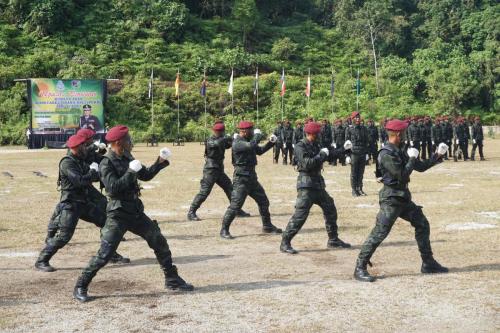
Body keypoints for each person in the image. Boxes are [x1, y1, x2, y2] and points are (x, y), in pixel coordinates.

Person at [73, 125, 193, 302]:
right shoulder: (106, 162)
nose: (131, 142)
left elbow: (145, 175)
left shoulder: (127, 156)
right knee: (105, 254)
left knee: (158, 240)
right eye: (128, 139)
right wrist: (130, 172)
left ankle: (172, 278)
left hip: (134, 211)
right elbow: (113, 188)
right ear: (119, 142)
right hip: (118, 213)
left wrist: (159, 162)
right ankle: (81, 285)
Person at [354, 119, 449, 282]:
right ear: (398, 134)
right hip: (391, 199)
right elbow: (402, 175)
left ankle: (428, 263)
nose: (406, 135)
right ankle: (359, 267)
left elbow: (420, 167)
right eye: (404, 132)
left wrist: (437, 155)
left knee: (422, 224)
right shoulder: (386, 154)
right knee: (379, 233)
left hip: (403, 198)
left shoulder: (401, 149)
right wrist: (411, 159)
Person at [35, 132, 129, 273]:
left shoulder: (79, 159)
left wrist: (99, 173)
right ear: (77, 147)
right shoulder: (67, 162)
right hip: (71, 204)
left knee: (106, 223)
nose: (87, 148)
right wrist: (92, 173)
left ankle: (110, 254)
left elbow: (93, 176)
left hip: (83, 202)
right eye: (84, 146)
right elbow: (79, 181)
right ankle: (42, 260)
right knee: (64, 236)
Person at [280, 122, 351, 254]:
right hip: (306, 185)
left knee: (330, 208)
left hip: (317, 184)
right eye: (317, 134)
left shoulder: (316, 145)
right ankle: (285, 241)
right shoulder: (300, 146)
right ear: (310, 134)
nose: (319, 136)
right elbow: (307, 164)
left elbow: (330, 154)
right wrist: (322, 155)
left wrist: (344, 150)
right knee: (300, 215)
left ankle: (333, 239)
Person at [220, 121, 282, 239]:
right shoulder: (237, 142)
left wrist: (271, 142)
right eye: (251, 130)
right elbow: (251, 146)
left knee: (264, 201)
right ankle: (224, 230)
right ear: (243, 131)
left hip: (252, 179)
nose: (253, 132)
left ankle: (267, 226)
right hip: (241, 179)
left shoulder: (248, 142)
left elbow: (259, 151)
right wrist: (258, 136)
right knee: (235, 206)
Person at [187, 121, 250, 221]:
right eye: (219, 131)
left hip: (219, 170)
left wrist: (234, 138)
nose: (220, 133)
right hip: (210, 170)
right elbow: (216, 144)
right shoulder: (210, 140)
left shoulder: (222, 139)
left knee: (230, 188)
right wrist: (226, 137)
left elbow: (229, 145)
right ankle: (191, 212)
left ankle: (237, 209)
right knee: (204, 192)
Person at [345, 112, 369, 196]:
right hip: (354, 153)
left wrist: (367, 153)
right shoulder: (349, 129)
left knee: (361, 172)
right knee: (354, 173)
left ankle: (360, 188)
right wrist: (347, 155)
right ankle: (354, 190)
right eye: (356, 118)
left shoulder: (364, 129)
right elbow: (347, 143)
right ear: (353, 119)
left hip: (362, 152)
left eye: (359, 117)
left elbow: (366, 142)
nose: (358, 119)